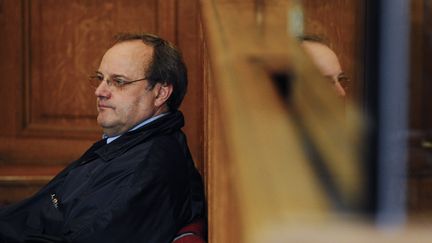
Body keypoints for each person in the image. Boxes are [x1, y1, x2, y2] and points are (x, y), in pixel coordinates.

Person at [0, 33, 206, 243]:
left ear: (161, 93)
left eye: (118, 81)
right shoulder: (129, 142)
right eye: (100, 79)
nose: (100, 91)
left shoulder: (144, 169)